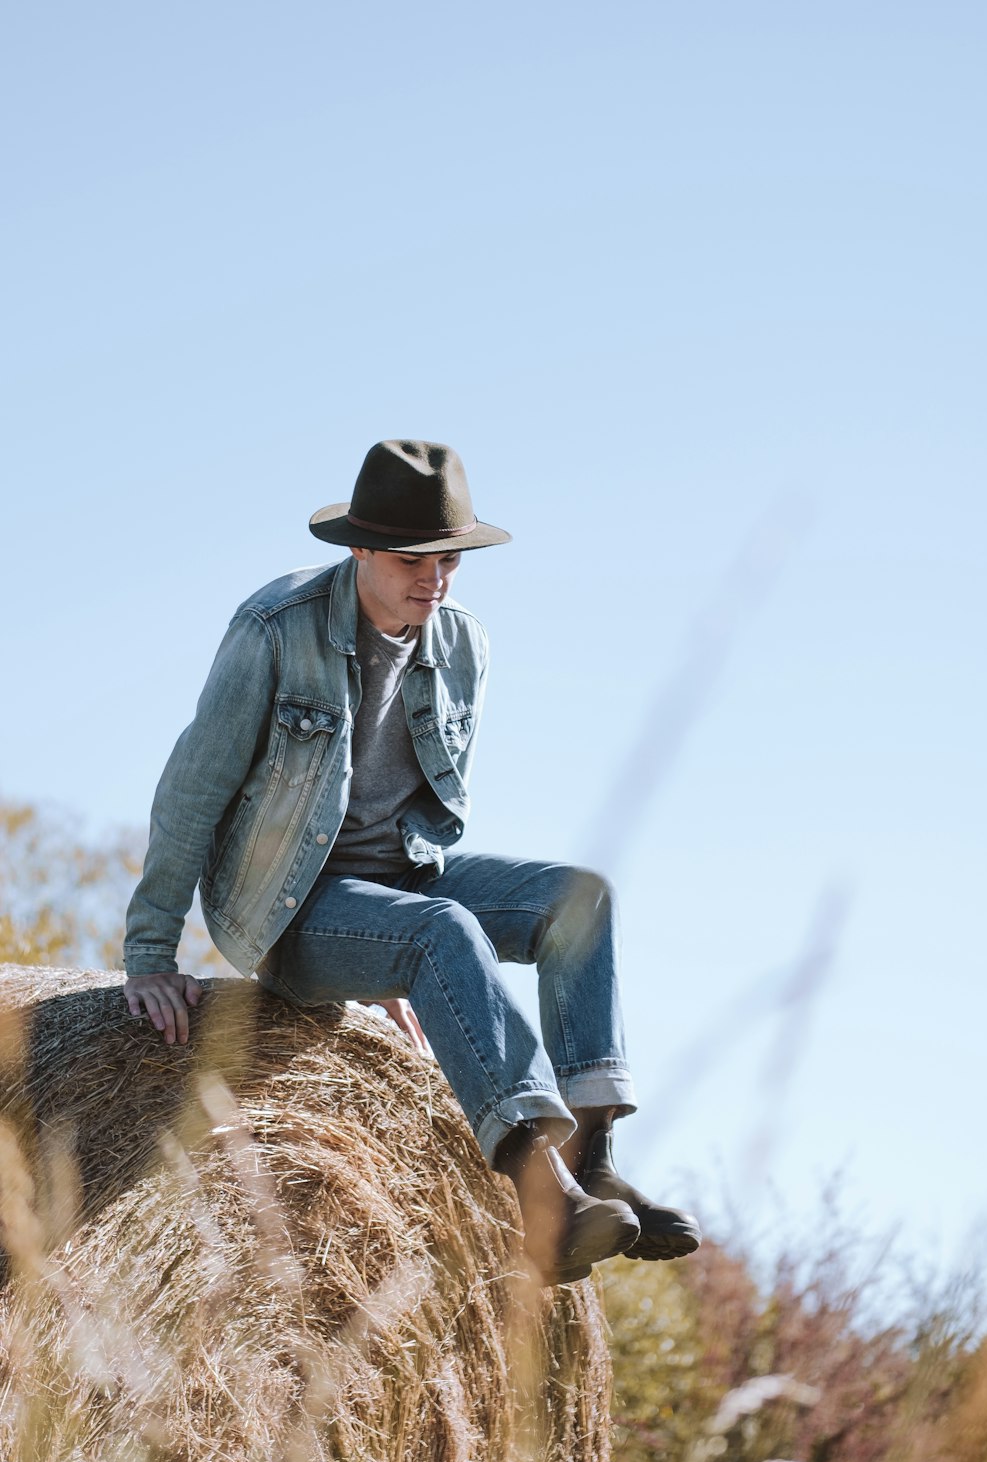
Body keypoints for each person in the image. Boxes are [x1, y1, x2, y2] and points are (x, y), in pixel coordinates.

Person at [124, 439, 701, 1285]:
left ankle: (595, 1155)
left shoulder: (463, 644)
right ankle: (542, 1202)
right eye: (409, 561)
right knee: (441, 931)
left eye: (450, 562)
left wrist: (398, 956)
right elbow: (191, 793)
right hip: (286, 910)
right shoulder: (272, 633)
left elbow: (426, 812)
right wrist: (149, 955)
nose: (433, 580)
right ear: (358, 547)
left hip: (401, 888)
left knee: (578, 898)